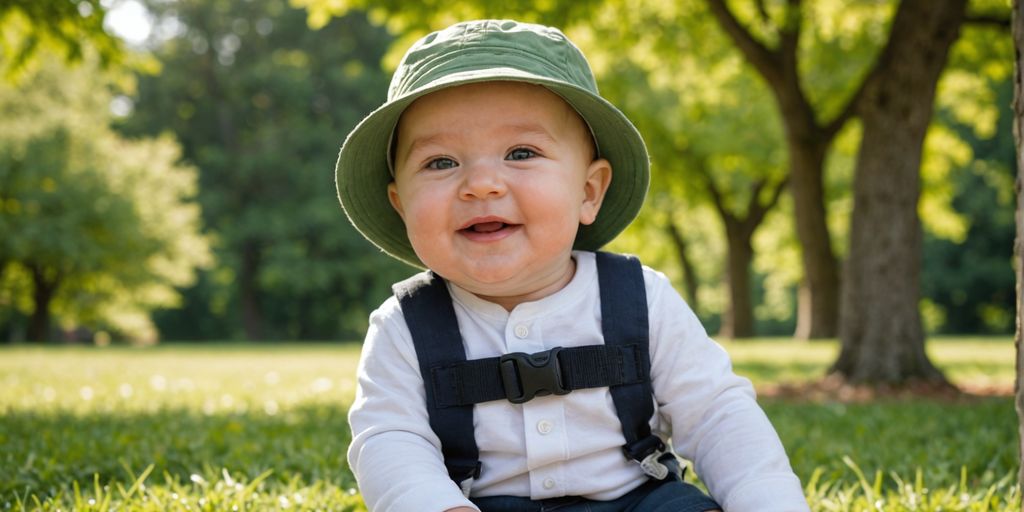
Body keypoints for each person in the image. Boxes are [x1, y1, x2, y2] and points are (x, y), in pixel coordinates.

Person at [337, 19, 809, 512]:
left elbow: (717, 416)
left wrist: (768, 501)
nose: (481, 183)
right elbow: (389, 439)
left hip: (637, 501)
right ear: (401, 205)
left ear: (588, 192)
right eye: (440, 162)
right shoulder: (403, 327)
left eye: (521, 153)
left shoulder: (639, 299)